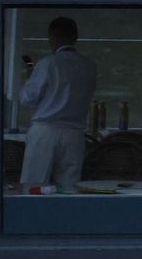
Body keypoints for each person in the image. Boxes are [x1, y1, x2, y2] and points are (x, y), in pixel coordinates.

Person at [18, 16, 98, 192]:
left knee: (35, 186)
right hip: (74, 133)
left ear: (52, 37)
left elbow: (28, 98)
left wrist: (29, 79)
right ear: (76, 38)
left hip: (46, 131)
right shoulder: (89, 67)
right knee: (69, 189)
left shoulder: (48, 64)